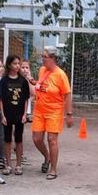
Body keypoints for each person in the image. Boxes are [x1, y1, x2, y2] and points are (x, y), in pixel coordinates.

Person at [31, 46, 74, 180]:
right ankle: (47, 156)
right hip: (39, 109)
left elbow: (67, 94)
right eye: (42, 56)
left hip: (54, 111)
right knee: (37, 139)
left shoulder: (60, 74)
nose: (42, 59)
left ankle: (53, 169)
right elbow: (41, 86)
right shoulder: (42, 70)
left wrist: (69, 114)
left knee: (52, 140)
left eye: (45, 57)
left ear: (53, 58)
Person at [0, 54, 31, 175]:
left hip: (19, 114)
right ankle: (8, 165)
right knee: (7, 140)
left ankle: (18, 165)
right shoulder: (4, 80)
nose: (17, 66)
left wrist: (24, 114)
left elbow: (26, 99)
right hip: (7, 114)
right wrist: (2, 115)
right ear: (9, 65)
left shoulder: (23, 81)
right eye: (15, 63)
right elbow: (0, 99)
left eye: (19, 64)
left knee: (19, 139)